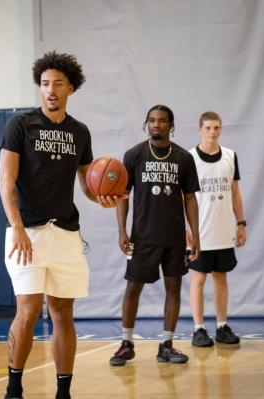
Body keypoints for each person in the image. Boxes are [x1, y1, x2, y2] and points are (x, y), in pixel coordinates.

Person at [0, 51, 125, 399]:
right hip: (27, 234)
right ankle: (14, 387)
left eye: (57, 84)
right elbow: (5, 182)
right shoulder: (20, 126)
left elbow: (86, 183)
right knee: (27, 311)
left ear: (71, 87)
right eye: (44, 84)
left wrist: (103, 196)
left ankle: (63, 392)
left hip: (67, 234)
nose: (50, 90)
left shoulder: (79, 132)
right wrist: (18, 228)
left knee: (63, 313)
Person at [109, 104, 200, 366]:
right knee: (132, 288)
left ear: (171, 125)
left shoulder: (183, 158)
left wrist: (196, 235)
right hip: (142, 237)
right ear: (146, 124)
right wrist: (122, 231)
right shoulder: (134, 155)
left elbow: (190, 198)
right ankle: (126, 343)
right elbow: (122, 196)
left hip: (174, 238)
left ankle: (167, 344)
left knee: (174, 288)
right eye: (152, 120)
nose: (156, 125)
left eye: (161, 121)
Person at [187, 111, 247, 347]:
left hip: (224, 230)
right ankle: (198, 328)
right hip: (200, 232)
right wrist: (186, 229)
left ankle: (222, 326)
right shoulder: (189, 158)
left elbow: (235, 193)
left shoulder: (230, 156)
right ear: (200, 130)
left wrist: (241, 223)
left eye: (217, 128)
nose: (213, 132)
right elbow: (185, 197)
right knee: (199, 278)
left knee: (221, 277)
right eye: (208, 128)